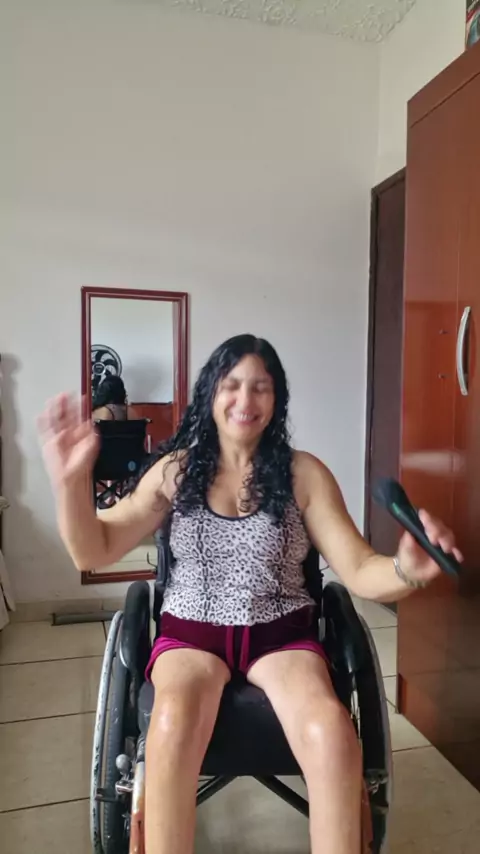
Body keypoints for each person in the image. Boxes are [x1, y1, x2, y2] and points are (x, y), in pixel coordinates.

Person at [38, 335, 461, 854]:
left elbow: (358, 569)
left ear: (276, 398)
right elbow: (94, 549)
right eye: (232, 385)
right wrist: (70, 483)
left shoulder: (304, 474)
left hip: (281, 637)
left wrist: (406, 570)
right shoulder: (175, 472)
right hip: (191, 636)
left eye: (260, 387)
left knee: (331, 732)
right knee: (171, 724)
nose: (245, 399)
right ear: (211, 393)